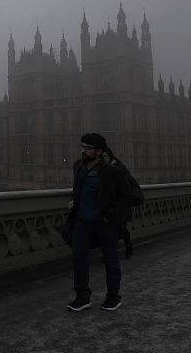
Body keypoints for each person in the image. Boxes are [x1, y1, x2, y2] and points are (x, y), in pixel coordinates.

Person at [66, 133, 133, 312]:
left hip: (104, 222)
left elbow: (128, 196)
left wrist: (111, 215)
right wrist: (75, 201)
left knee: (110, 259)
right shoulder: (77, 167)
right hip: (81, 221)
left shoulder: (112, 171)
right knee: (79, 258)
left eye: (87, 148)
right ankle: (82, 296)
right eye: (82, 147)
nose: (83, 151)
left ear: (99, 151)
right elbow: (79, 189)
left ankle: (113, 296)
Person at [101, 146, 135, 259]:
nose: (104, 158)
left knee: (120, 230)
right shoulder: (102, 168)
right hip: (109, 207)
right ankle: (109, 255)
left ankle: (128, 244)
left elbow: (127, 187)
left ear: (110, 156)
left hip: (121, 206)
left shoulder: (119, 167)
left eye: (105, 156)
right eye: (102, 157)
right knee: (109, 232)